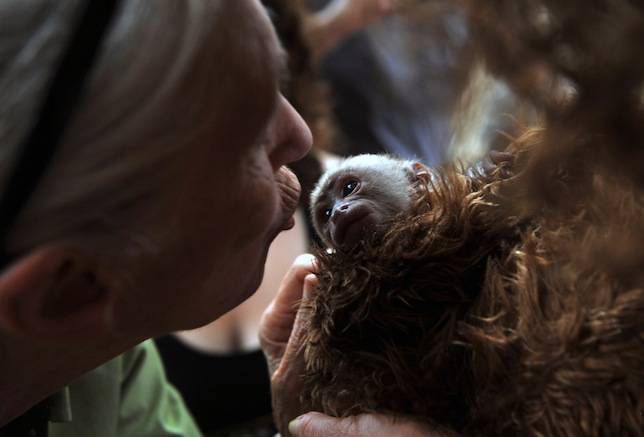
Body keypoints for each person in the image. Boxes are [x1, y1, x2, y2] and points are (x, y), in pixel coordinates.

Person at [0, 0, 441, 436]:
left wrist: (302, 422)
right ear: (70, 290)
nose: (300, 138)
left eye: (278, 87)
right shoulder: (93, 346)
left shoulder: (106, 358)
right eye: (246, 133)